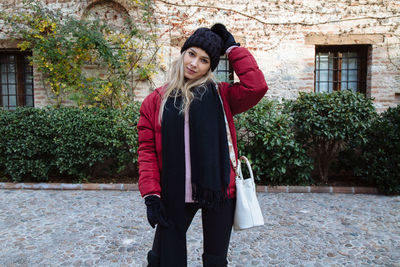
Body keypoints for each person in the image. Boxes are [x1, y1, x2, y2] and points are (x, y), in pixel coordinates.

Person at [137, 23, 268, 267]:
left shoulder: (222, 95)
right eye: (192, 54)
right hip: (174, 193)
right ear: (183, 53)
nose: (194, 63)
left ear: (211, 66)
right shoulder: (155, 101)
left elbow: (256, 87)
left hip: (218, 191)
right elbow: (147, 153)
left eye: (204, 60)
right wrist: (152, 195)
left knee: (215, 261)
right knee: (162, 258)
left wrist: (232, 49)